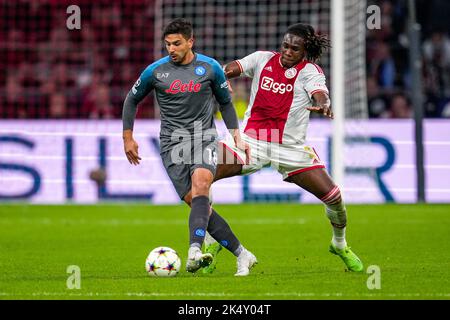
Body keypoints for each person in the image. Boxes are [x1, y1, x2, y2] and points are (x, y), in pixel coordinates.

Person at [202, 23, 364, 273]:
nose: (287, 51)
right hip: (251, 141)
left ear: (305, 50)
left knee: (334, 197)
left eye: (294, 48)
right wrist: (219, 77)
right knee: (203, 175)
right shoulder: (262, 59)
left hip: (290, 147)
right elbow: (231, 69)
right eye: (285, 46)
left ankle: (339, 244)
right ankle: (213, 241)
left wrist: (324, 103)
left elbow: (320, 93)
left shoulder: (311, 72)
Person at [121, 18, 257, 276]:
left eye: (177, 43)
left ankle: (194, 250)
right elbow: (131, 100)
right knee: (198, 202)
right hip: (172, 145)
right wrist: (128, 137)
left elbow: (226, 103)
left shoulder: (210, 68)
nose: (171, 49)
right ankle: (243, 254)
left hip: (203, 137)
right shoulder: (156, 71)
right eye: (167, 44)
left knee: (202, 183)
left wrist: (236, 136)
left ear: (190, 42)